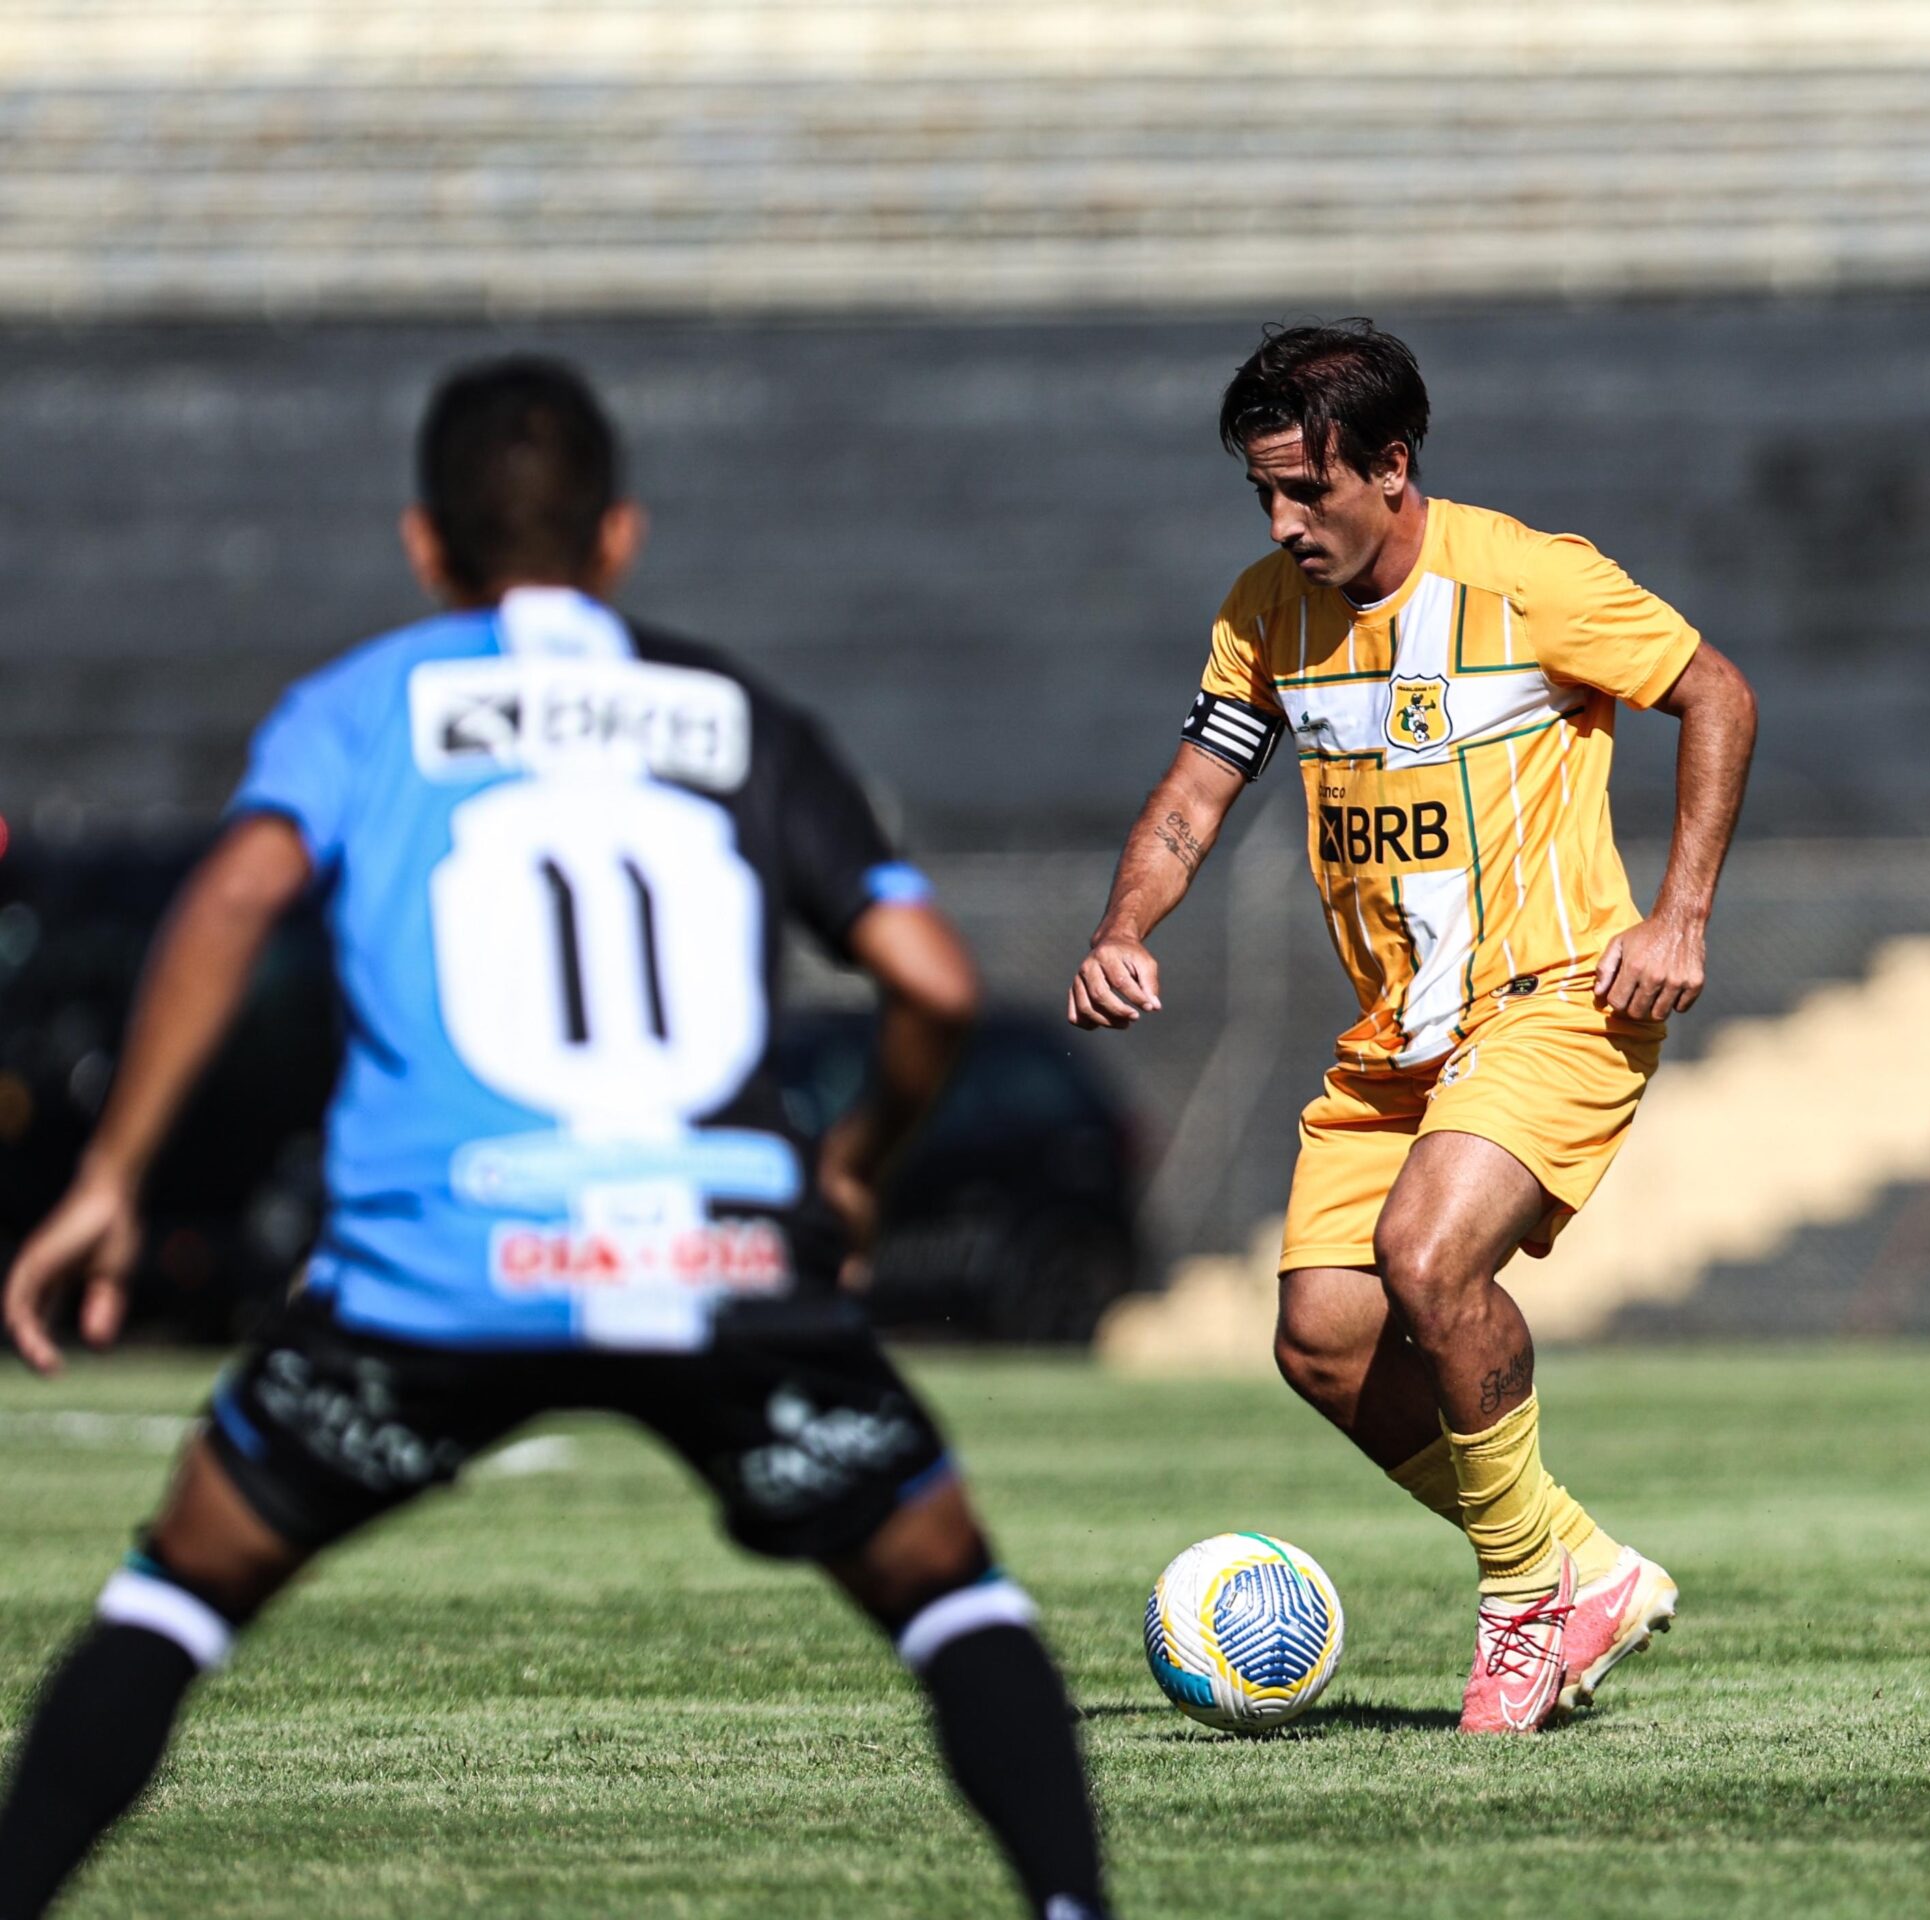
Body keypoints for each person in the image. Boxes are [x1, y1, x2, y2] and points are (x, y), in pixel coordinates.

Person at [0, 357, 1110, 1919]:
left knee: (183, 1584)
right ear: (619, 538)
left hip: (440, 1265)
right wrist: (853, 1162)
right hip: (715, 1252)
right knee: (947, 1586)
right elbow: (928, 981)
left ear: (424, 547)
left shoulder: (360, 705)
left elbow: (237, 893)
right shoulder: (739, 717)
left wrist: (109, 1179)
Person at [1070, 320, 1757, 1735]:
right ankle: (1581, 1566)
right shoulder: (1267, 611)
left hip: (1563, 996)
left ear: (1391, 466)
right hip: (1401, 1036)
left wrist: (1678, 915)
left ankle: (1523, 1604)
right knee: (1323, 1340)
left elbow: (1715, 694)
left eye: (1306, 491)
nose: (1282, 522)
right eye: (1261, 493)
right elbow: (1197, 794)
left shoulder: (1528, 579)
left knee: (1423, 1256)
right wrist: (1123, 930)